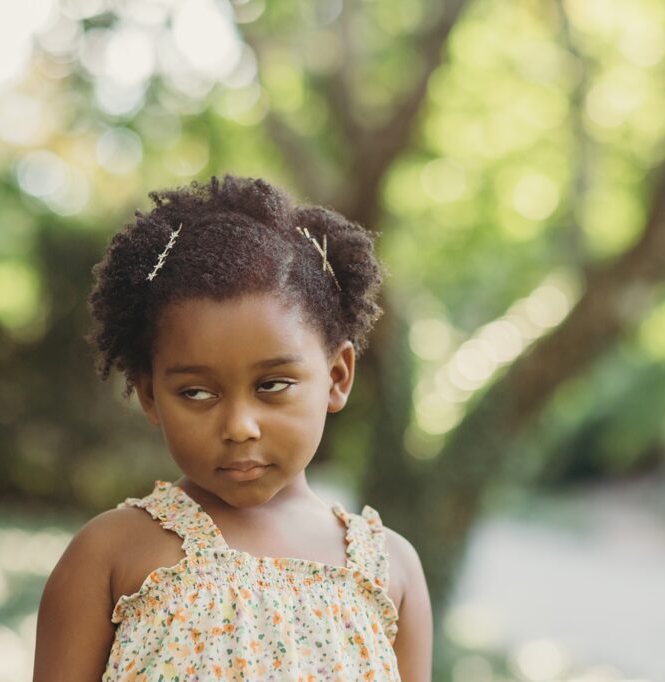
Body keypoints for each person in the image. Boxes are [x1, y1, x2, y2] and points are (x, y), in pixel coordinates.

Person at [33, 174, 433, 681]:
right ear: (150, 394)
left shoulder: (390, 571)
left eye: (272, 385)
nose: (240, 427)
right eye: (197, 393)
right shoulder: (110, 556)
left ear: (337, 377)